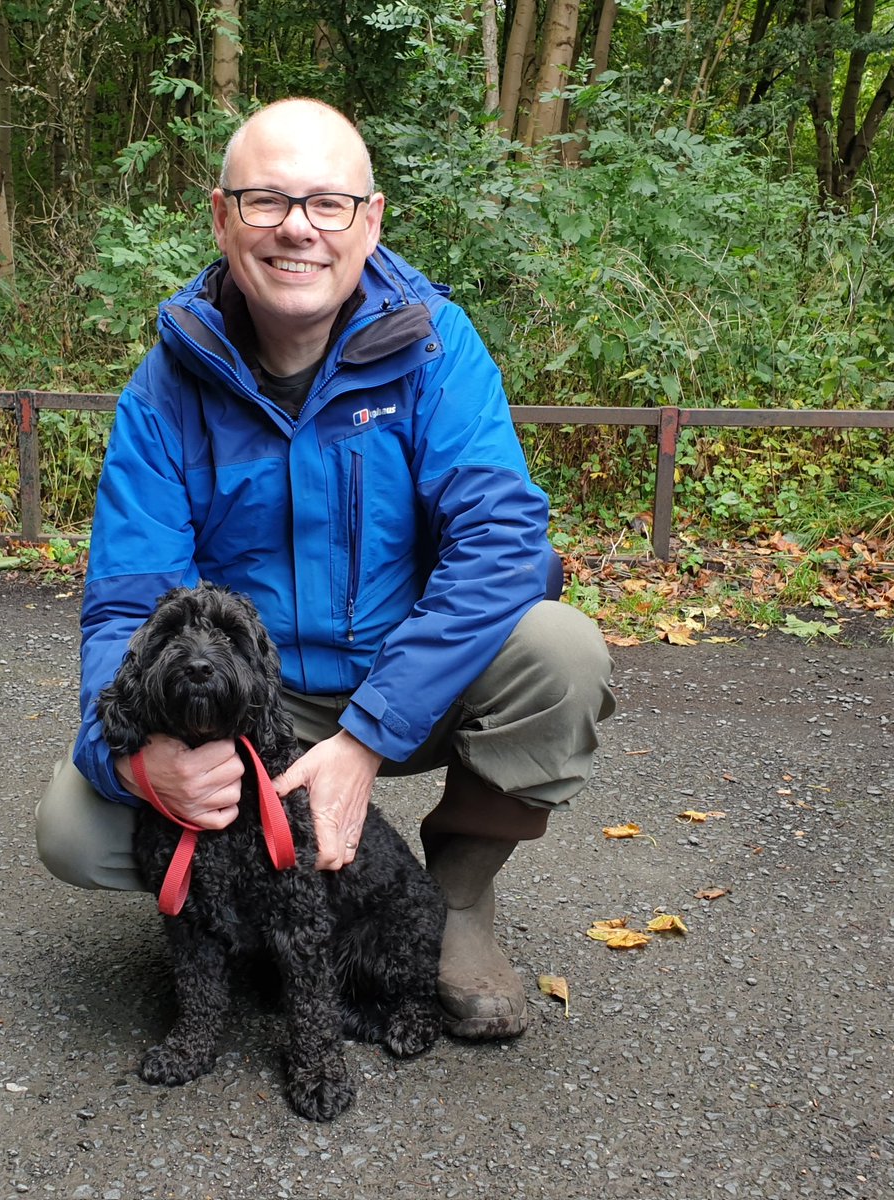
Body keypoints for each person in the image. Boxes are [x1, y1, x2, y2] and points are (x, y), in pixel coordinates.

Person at [36, 97, 615, 1039]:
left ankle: (457, 899)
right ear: (222, 217)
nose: (297, 227)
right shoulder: (164, 390)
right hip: (248, 702)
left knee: (562, 655)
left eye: (326, 203)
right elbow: (127, 612)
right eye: (265, 201)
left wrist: (368, 737)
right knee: (80, 822)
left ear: (370, 219)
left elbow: (504, 542)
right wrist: (142, 763)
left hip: (411, 679)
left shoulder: (434, 346)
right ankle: (238, 918)